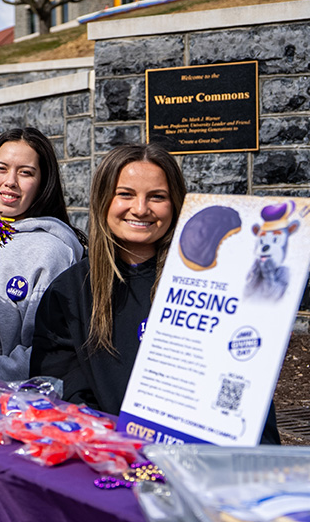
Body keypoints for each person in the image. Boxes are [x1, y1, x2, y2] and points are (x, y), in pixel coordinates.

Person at [29, 143, 280, 443]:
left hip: (206, 460)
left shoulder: (214, 283)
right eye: (125, 194)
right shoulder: (69, 293)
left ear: (175, 204)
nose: (140, 209)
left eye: (157, 197)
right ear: (102, 200)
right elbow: (65, 391)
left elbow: (244, 388)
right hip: (109, 459)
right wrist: (113, 446)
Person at [0, 127, 85, 381]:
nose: (10, 181)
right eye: (1, 168)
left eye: (25, 172)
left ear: (43, 183)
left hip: (2, 397)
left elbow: (46, 351)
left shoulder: (53, 251)